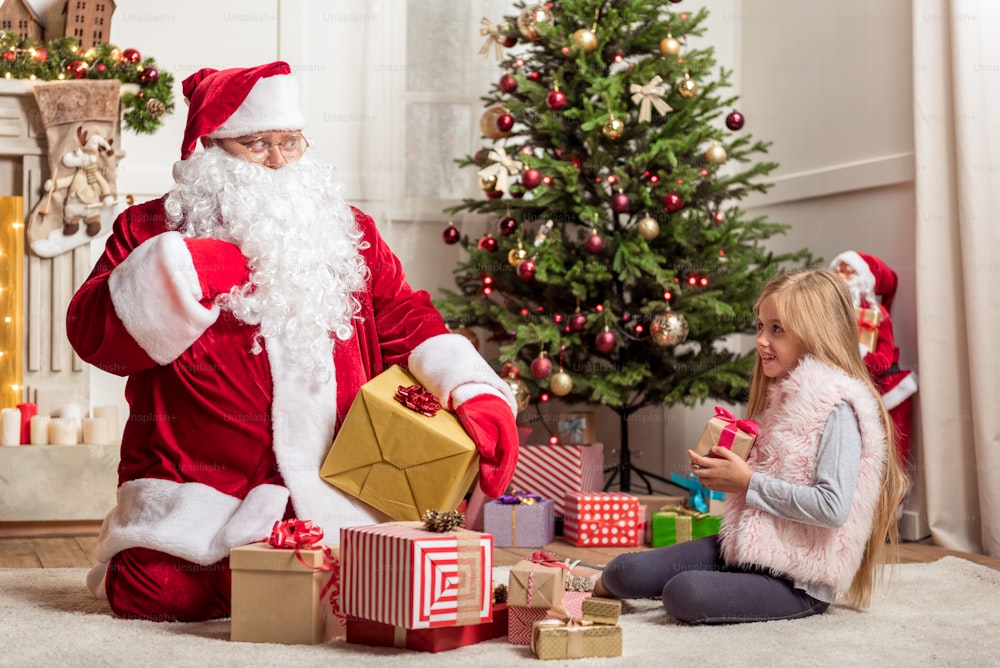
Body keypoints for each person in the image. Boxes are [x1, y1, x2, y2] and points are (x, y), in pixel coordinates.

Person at [66, 62, 519, 622]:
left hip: (339, 483)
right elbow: (93, 336)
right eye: (256, 144)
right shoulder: (152, 228)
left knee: (366, 590)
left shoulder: (345, 228)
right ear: (211, 149)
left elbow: (405, 315)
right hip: (200, 494)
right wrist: (188, 269)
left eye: (290, 142)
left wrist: (473, 390)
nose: (279, 160)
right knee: (161, 591)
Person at [592, 269, 909, 624]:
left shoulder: (839, 408)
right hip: (745, 548)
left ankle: (724, 587)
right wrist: (726, 467)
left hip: (799, 580)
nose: (761, 340)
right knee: (622, 572)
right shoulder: (785, 397)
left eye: (777, 329)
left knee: (683, 593)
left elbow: (832, 508)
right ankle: (586, 587)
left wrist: (747, 482)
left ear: (814, 333)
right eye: (760, 326)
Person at [830, 251, 918, 469]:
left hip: (886, 393)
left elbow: (882, 362)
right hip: (851, 389)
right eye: (839, 270)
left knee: (891, 456)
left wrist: (856, 351)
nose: (841, 276)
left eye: (848, 271)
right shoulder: (831, 316)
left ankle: (892, 501)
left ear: (863, 279)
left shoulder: (877, 316)